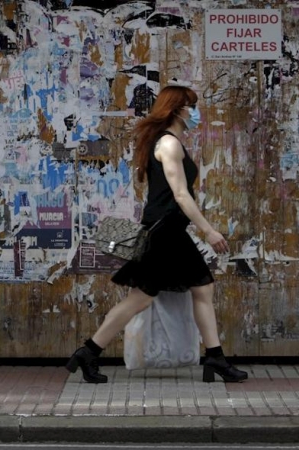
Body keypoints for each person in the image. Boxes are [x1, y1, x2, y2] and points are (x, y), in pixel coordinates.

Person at [65, 85, 248, 384]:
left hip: (169, 230)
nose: (194, 111)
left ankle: (215, 357)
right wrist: (209, 230)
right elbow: (181, 195)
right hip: (165, 233)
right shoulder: (169, 144)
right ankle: (88, 352)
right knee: (148, 297)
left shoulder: (168, 142)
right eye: (191, 106)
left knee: (194, 290)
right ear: (177, 109)